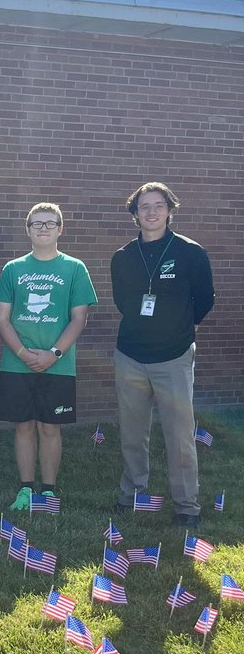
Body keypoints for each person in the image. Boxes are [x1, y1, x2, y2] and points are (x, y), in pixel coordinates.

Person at [110, 182, 214, 526]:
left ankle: (186, 506)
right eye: (144, 207)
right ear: (135, 214)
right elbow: (122, 302)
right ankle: (132, 495)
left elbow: (205, 298)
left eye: (158, 205)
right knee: (132, 433)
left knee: (180, 435)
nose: (151, 212)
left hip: (174, 357)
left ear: (170, 210)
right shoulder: (123, 257)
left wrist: (182, 326)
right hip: (130, 356)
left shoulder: (190, 253)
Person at [0, 203, 98, 509]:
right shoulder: (13, 269)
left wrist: (53, 353)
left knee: (50, 427)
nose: (43, 228)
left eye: (50, 223)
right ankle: (26, 489)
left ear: (60, 229)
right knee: (24, 425)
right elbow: (1, 319)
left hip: (58, 364)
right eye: (36, 223)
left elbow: (79, 318)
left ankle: (48, 491)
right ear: (27, 230)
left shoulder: (75, 268)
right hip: (17, 364)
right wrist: (23, 353)